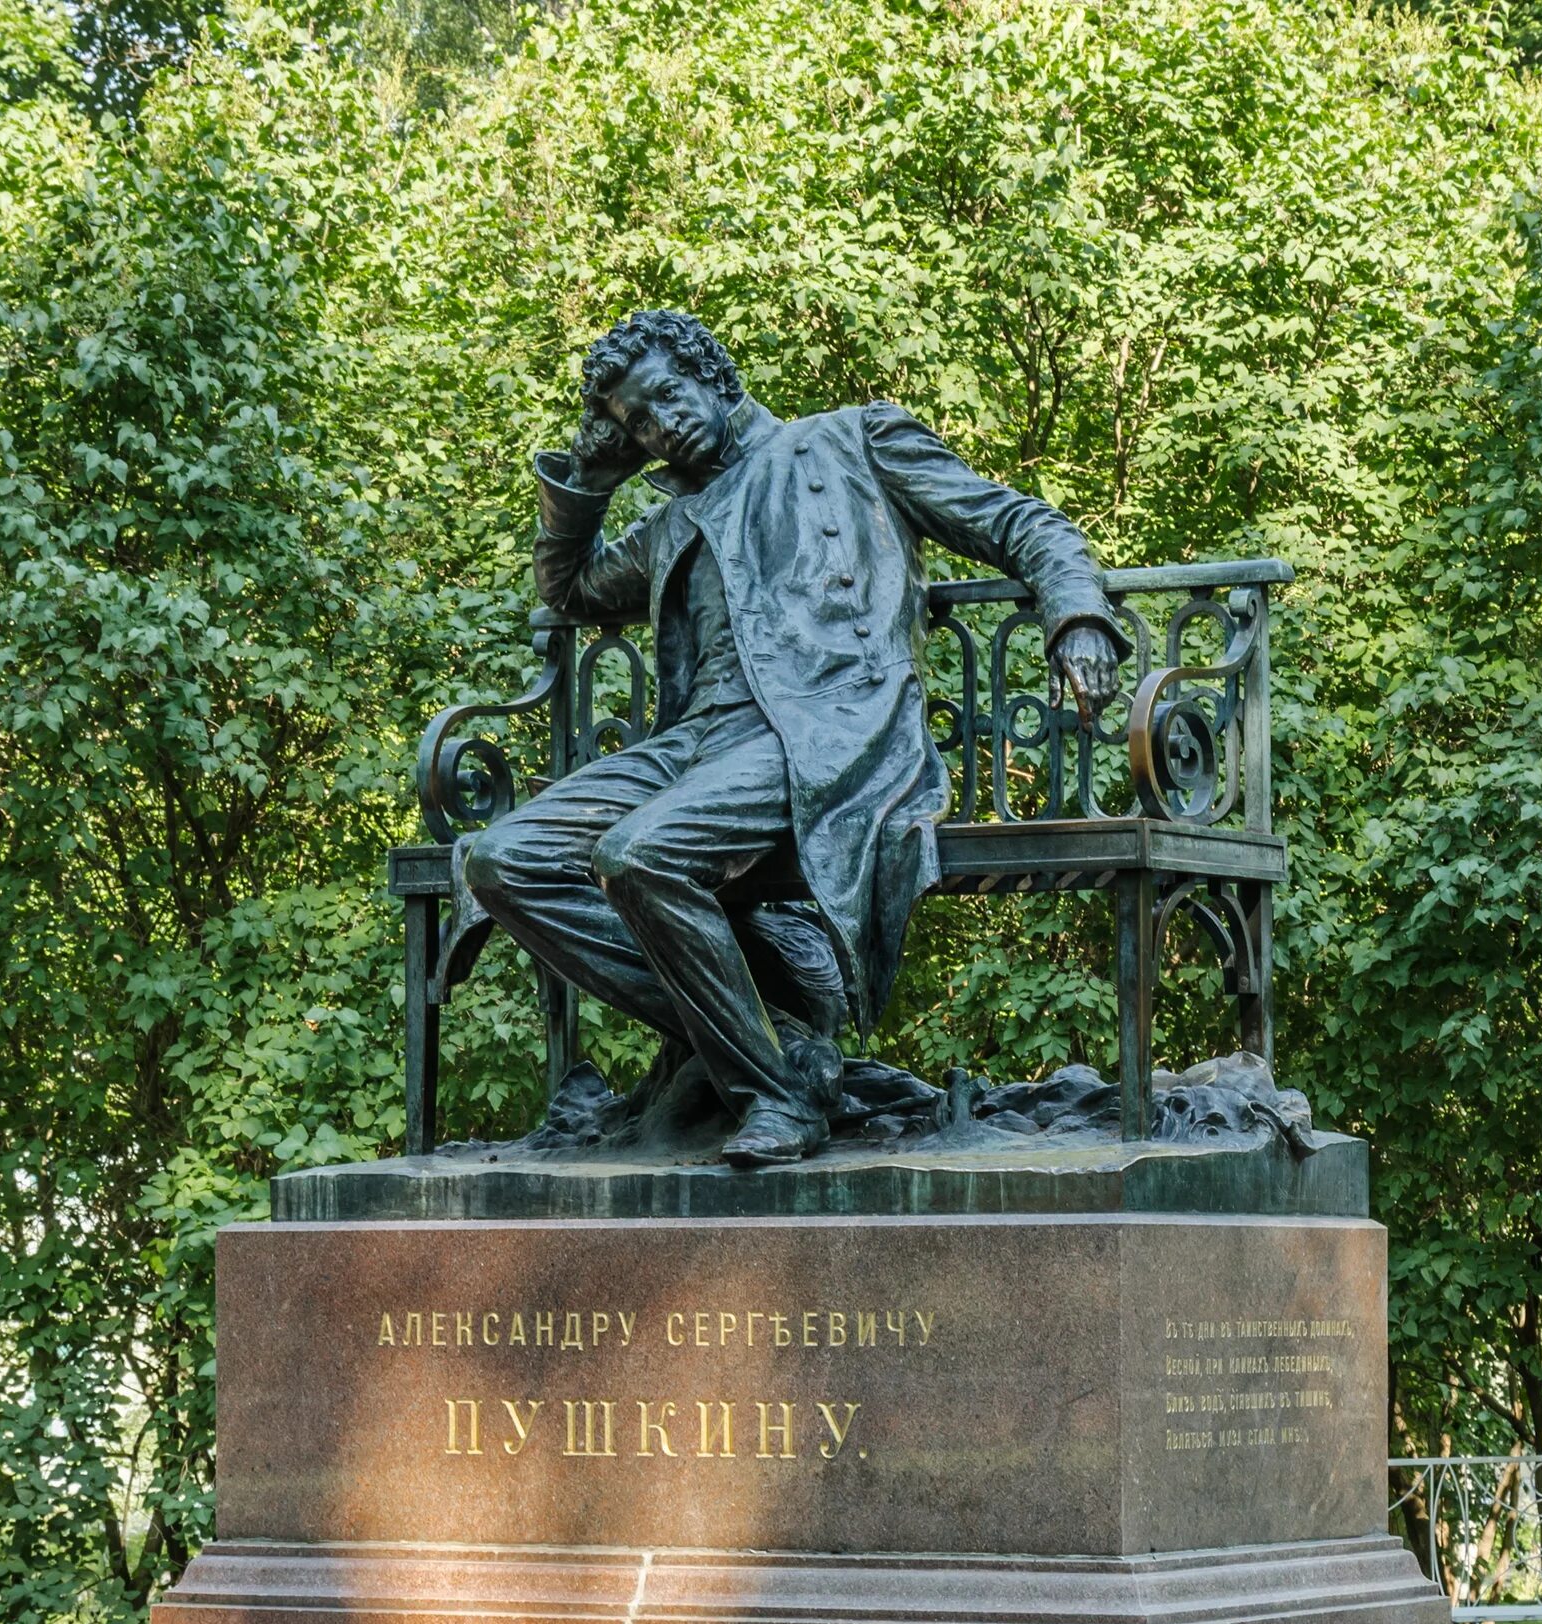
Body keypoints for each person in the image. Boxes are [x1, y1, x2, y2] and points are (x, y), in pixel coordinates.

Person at [461, 310, 1124, 1165]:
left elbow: (1017, 522)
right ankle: (775, 1043)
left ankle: (775, 1095)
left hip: (825, 731)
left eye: (666, 395)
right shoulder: (673, 520)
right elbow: (570, 589)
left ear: (712, 373)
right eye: (637, 422)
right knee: (499, 861)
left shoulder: (853, 441)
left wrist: (1077, 613)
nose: (660, 423)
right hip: (695, 745)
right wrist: (589, 471)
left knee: (640, 854)